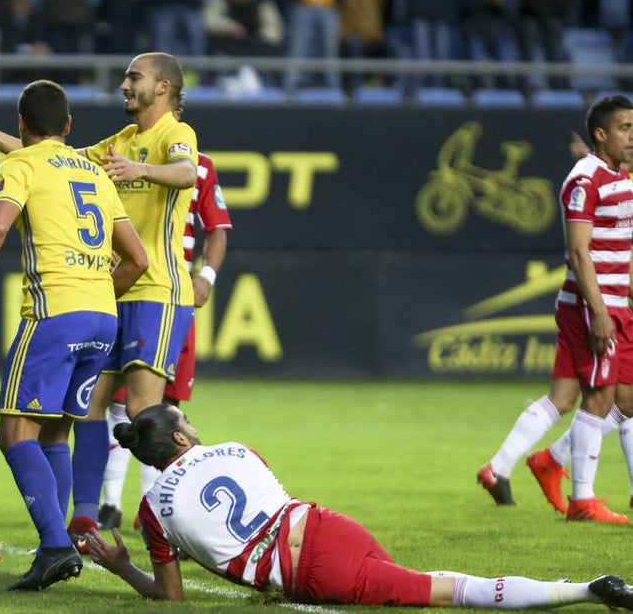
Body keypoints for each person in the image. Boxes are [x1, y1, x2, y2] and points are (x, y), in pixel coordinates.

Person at [0, 51, 198, 543]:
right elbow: (58, 158)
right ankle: (85, 517)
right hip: (112, 290)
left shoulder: (175, 134)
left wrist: (141, 172)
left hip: (158, 290)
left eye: (134, 77)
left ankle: (178, 521)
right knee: (88, 409)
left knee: (147, 417)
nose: (125, 84)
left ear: (164, 87)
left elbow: (188, 173)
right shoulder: (124, 140)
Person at [84, 403, 633, 610]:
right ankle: (589, 589)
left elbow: (172, 594)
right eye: (185, 421)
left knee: (450, 590)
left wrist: (120, 564)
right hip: (329, 526)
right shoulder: (236, 449)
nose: (192, 423)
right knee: (425, 581)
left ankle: (587, 590)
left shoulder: (152, 511)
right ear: (180, 441)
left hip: (312, 569)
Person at [0, 80, 149, 591]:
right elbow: (138, 260)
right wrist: (98, 290)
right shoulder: (95, 173)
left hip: (54, 313)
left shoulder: (23, 165)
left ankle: (55, 546)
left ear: (21, 125)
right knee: (55, 431)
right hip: (103, 318)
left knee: (13, 431)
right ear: (69, 127)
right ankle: (54, 541)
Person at [478, 97, 633, 523]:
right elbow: (580, 252)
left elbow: (621, 250)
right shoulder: (584, 180)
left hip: (612, 301)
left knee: (571, 397)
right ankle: (583, 499)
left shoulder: (619, 178)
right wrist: (600, 312)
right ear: (601, 135)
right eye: (624, 127)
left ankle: (503, 466)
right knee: (601, 396)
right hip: (592, 304)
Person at [99, 95, 233, 531]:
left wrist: (207, 276)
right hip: (130, 288)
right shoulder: (124, 147)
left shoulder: (199, 163)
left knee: (164, 406)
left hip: (168, 291)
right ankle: (111, 504)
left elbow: (217, 229)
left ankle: (159, 506)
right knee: (124, 405)